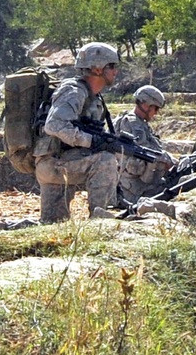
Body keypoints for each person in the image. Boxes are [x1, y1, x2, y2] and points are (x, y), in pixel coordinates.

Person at [33, 42, 123, 223]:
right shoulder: (73, 91)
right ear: (97, 69)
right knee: (105, 161)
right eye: (112, 66)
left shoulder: (95, 98)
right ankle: (101, 219)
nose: (116, 71)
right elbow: (54, 125)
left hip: (61, 162)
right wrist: (90, 141)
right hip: (54, 163)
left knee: (51, 224)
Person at [114, 85, 178, 207]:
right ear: (146, 105)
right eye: (155, 109)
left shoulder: (141, 123)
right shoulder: (132, 123)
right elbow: (144, 150)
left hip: (143, 183)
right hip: (133, 188)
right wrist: (166, 159)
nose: (156, 113)